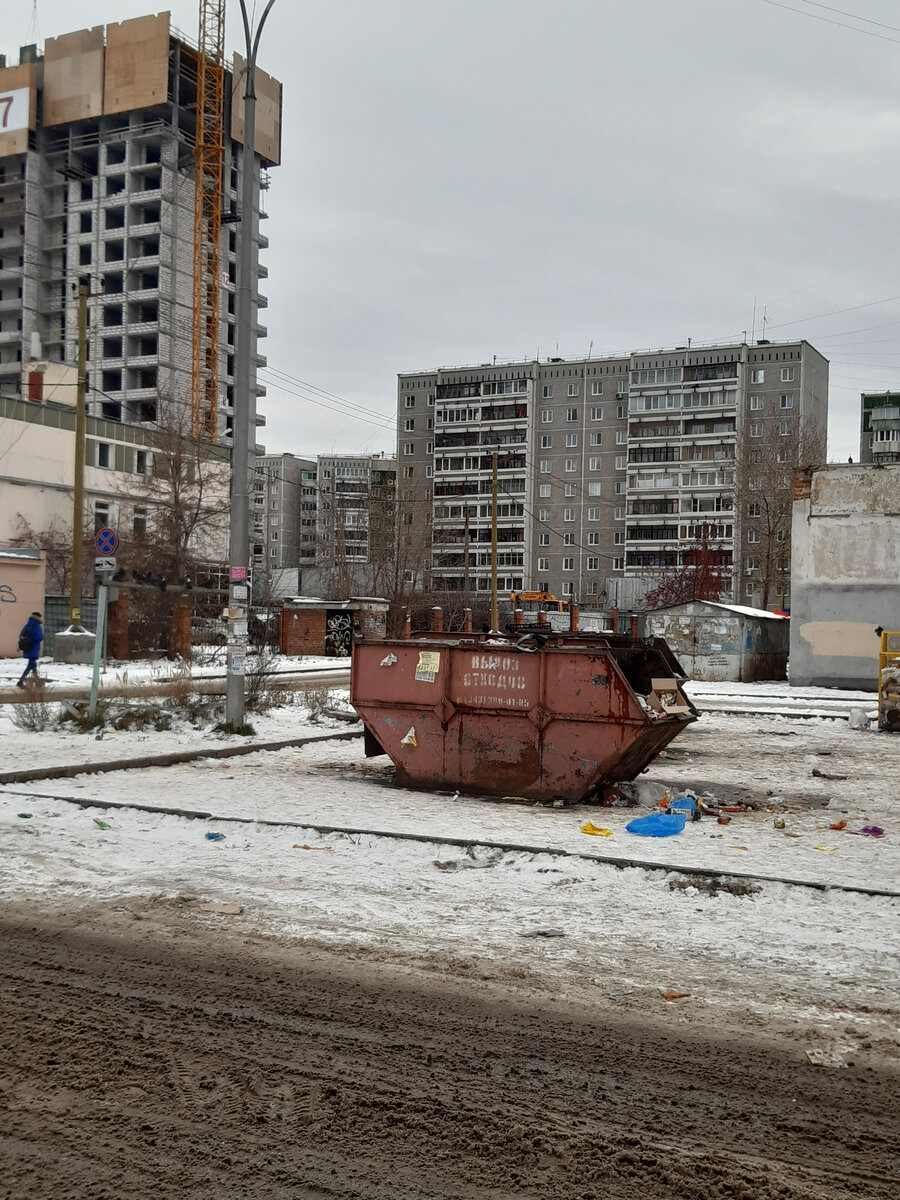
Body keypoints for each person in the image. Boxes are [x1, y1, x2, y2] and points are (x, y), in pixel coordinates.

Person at [17, 612, 43, 688]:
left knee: (32, 665)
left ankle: (37, 682)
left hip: (27, 648)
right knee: (31, 665)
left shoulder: (26, 626)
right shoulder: (37, 627)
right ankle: (21, 681)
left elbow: (21, 636)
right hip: (33, 648)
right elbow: (39, 637)